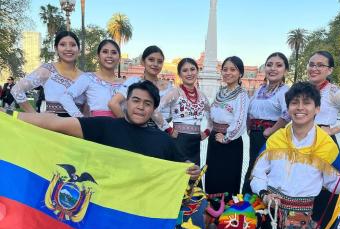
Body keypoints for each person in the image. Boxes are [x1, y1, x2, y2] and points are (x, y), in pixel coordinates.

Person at [2, 80, 200, 180]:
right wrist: (9, 116)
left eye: (147, 103)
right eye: (136, 100)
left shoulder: (162, 140)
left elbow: (183, 165)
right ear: (126, 103)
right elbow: (55, 123)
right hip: (102, 205)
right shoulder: (104, 126)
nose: (140, 106)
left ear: (153, 108)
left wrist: (191, 170)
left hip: (138, 213)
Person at [250, 82, 340, 229]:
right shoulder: (276, 139)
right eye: (294, 103)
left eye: (306, 103)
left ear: (317, 109)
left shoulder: (325, 145)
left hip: (302, 220)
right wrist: (264, 194)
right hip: (268, 213)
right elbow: (258, 174)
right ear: (288, 108)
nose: (300, 107)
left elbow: (335, 187)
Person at [307, 51, 340, 229]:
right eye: (311, 64)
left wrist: (331, 130)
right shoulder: (302, 88)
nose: (314, 68)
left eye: (320, 65)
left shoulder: (335, 91)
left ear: (329, 70)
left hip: (325, 143)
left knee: (326, 190)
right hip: (302, 141)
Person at [242, 52, 290, 194]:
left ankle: (262, 204)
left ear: (285, 70)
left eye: (278, 65)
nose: (273, 68)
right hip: (256, 136)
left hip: (271, 138)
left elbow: (288, 113)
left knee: (264, 169)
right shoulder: (260, 89)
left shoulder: (285, 91)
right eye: (269, 65)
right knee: (253, 166)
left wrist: (272, 130)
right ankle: (247, 203)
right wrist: (249, 127)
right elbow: (250, 110)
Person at [152, 58, 212, 166]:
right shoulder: (175, 92)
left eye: (192, 69)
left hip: (195, 142)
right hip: (179, 140)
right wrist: (168, 129)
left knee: (193, 177)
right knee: (180, 175)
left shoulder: (202, 96)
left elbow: (211, 118)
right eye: (185, 70)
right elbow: (154, 110)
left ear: (197, 71)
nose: (189, 73)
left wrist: (207, 132)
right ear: (179, 74)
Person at [11, 31, 85, 117]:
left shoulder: (85, 77)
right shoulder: (47, 70)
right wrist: (35, 115)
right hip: (51, 126)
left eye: (73, 45)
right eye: (63, 45)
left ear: (78, 49)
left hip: (79, 126)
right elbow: (16, 90)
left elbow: (87, 109)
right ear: (56, 48)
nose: (68, 48)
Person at [205, 56, 249, 195]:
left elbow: (240, 120)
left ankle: (226, 213)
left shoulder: (241, 95)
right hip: (214, 140)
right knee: (212, 175)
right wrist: (209, 131)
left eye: (233, 69)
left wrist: (226, 138)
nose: (228, 73)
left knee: (227, 178)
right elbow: (212, 114)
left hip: (230, 142)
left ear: (240, 73)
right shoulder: (220, 92)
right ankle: (211, 211)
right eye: (225, 69)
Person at [108, 45, 172, 125]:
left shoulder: (168, 86)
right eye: (151, 60)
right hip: (136, 130)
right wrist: (127, 127)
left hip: (163, 132)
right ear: (143, 62)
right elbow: (113, 103)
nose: (155, 64)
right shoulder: (134, 81)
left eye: (159, 61)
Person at [59, 39, 125, 117]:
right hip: (97, 127)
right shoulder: (88, 78)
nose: (109, 56)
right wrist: (82, 120)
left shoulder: (126, 84)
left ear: (119, 59)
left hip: (121, 127)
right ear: (98, 56)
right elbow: (65, 98)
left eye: (114, 52)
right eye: (105, 52)